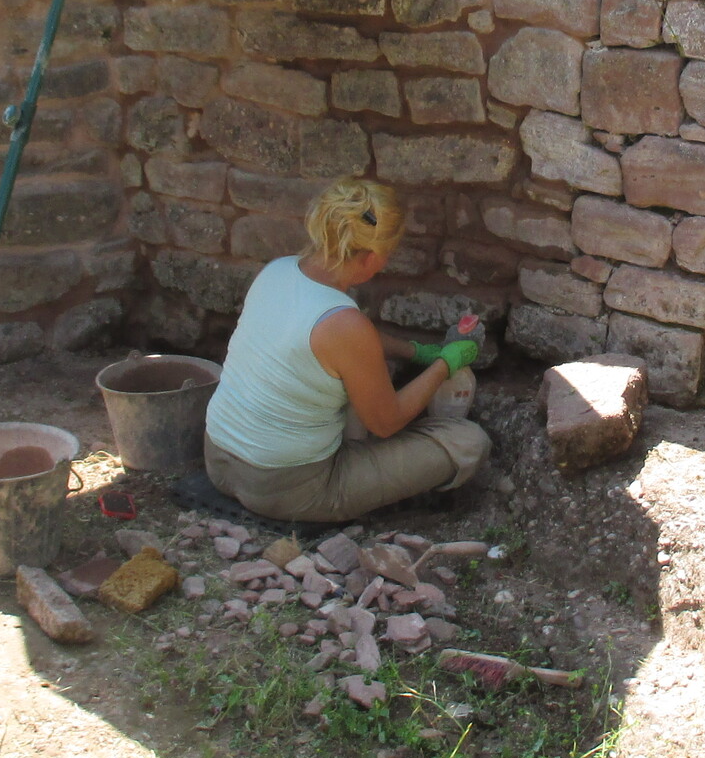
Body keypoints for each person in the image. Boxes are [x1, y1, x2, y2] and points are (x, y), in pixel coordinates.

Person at [203, 176, 491, 523]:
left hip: (219, 460)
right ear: (371, 257)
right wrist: (445, 362)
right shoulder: (345, 326)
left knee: (357, 381)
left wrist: (415, 351)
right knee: (469, 442)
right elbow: (386, 423)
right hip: (290, 489)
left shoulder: (277, 271)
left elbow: (339, 344)